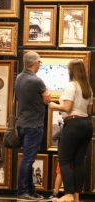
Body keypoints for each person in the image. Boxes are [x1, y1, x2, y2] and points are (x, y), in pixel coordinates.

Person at [49, 59, 93, 202]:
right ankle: (76, 196)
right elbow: (90, 110)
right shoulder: (88, 88)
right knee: (79, 161)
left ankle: (68, 194)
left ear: (71, 71)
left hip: (73, 124)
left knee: (65, 160)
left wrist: (52, 105)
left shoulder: (71, 86)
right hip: (87, 124)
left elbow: (67, 108)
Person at [15, 51, 51, 200]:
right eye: (40, 62)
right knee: (28, 159)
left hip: (22, 124)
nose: (40, 65)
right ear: (34, 63)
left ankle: (30, 190)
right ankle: (23, 191)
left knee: (27, 159)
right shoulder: (37, 81)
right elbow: (47, 99)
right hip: (34, 125)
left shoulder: (19, 78)